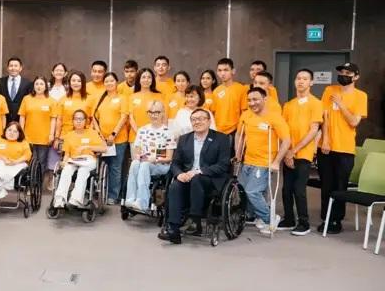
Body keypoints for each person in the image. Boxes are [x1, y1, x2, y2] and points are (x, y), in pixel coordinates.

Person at [158, 108, 232, 244]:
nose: (197, 122)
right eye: (194, 120)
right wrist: (179, 174)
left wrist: (199, 171)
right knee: (175, 186)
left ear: (209, 121)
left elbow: (223, 165)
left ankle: (195, 220)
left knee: (197, 179)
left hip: (210, 179)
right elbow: (175, 162)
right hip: (187, 177)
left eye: (201, 119)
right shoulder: (184, 139)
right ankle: (173, 229)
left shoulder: (221, 139)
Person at [317, 62, 367, 234]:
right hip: (326, 147)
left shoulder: (361, 96)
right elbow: (324, 116)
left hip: (345, 148)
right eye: (342, 72)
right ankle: (326, 218)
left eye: (348, 73)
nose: (343, 75)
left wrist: (341, 104)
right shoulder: (330, 90)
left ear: (356, 77)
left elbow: (354, 122)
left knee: (340, 186)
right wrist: (325, 139)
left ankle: (336, 220)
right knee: (326, 185)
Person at [235, 87, 290, 234]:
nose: (252, 103)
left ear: (265, 99)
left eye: (255, 99)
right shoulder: (246, 115)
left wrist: (276, 161)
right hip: (247, 161)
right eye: (249, 100)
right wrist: (238, 153)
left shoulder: (275, 118)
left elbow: (286, 140)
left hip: (264, 163)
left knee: (252, 191)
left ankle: (269, 218)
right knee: (242, 191)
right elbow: (239, 134)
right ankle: (255, 215)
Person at [280, 69, 323, 236]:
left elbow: (313, 130)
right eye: (298, 78)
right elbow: (284, 130)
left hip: (303, 153)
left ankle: (304, 222)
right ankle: (289, 219)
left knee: (299, 189)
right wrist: (286, 152)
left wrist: (294, 150)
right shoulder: (288, 105)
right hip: (288, 152)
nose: (301, 81)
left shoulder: (316, 103)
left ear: (311, 82)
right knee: (286, 189)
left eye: (305, 79)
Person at [124, 100, 176, 212]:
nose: (153, 115)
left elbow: (169, 158)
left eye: (157, 112)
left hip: (161, 165)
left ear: (163, 113)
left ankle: (142, 202)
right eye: (151, 112)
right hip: (144, 163)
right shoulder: (142, 130)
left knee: (144, 165)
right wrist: (139, 156)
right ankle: (130, 198)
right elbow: (137, 151)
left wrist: (155, 159)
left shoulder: (168, 132)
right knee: (135, 163)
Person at [52, 109, 107, 208]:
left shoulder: (92, 133)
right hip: (73, 160)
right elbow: (67, 154)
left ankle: (76, 199)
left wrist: (88, 147)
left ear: (85, 121)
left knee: (83, 171)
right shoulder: (69, 135)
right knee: (66, 170)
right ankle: (60, 199)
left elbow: (104, 149)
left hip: (88, 160)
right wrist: (64, 162)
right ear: (73, 121)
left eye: (81, 119)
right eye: (76, 119)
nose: (78, 121)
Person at [90, 72, 129, 205]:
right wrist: (99, 134)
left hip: (118, 139)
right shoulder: (100, 98)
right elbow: (94, 117)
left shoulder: (123, 98)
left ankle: (113, 195)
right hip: (102, 140)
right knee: (102, 166)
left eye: (112, 81)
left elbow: (124, 117)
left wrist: (113, 134)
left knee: (115, 168)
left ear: (116, 82)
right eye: (106, 81)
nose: (109, 83)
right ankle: (102, 193)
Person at [18, 76, 58, 179]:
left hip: (44, 137)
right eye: (36, 84)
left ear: (46, 86)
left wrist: (51, 134)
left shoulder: (51, 101)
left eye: (41, 84)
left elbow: (53, 119)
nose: (39, 86)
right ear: (33, 86)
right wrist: (21, 133)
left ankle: (38, 184)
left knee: (41, 161)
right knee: (29, 160)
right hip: (28, 136)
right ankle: (29, 182)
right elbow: (22, 117)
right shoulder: (26, 99)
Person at [0, 122, 32, 200]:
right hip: (3, 161)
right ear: (5, 130)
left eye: (15, 131)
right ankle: (3, 187)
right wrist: (4, 159)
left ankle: (3, 186)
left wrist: (15, 162)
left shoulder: (23, 142)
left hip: (19, 163)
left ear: (19, 134)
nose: (11, 133)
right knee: (0, 164)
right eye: (9, 130)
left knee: (12, 169)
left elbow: (27, 155)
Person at [128, 68, 165, 142]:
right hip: (136, 137)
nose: (146, 80)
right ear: (139, 80)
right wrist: (140, 134)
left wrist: (161, 133)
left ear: (152, 80)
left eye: (149, 77)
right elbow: (131, 118)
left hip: (155, 137)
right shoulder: (132, 97)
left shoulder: (159, 96)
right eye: (143, 77)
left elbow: (164, 116)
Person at [213, 58, 247, 135]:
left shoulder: (241, 89)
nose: (222, 73)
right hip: (218, 130)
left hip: (235, 130)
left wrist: (240, 130)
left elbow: (244, 112)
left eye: (226, 70)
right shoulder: (216, 91)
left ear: (233, 71)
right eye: (220, 70)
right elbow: (214, 113)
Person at [55, 70, 90, 144]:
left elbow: (93, 120)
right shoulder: (63, 99)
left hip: (84, 138)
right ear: (69, 82)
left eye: (79, 81)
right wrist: (57, 138)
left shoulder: (90, 99)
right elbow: (59, 120)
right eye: (73, 80)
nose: (76, 83)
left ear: (83, 83)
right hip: (65, 137)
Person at [0, 56, 33, 123]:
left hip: (21, 121)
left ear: (20, 68)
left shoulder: (28, 83)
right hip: (3, 120)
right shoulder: (0, 82)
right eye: (11, 66)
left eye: (16, 66)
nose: (13, 68)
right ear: (7, 68)